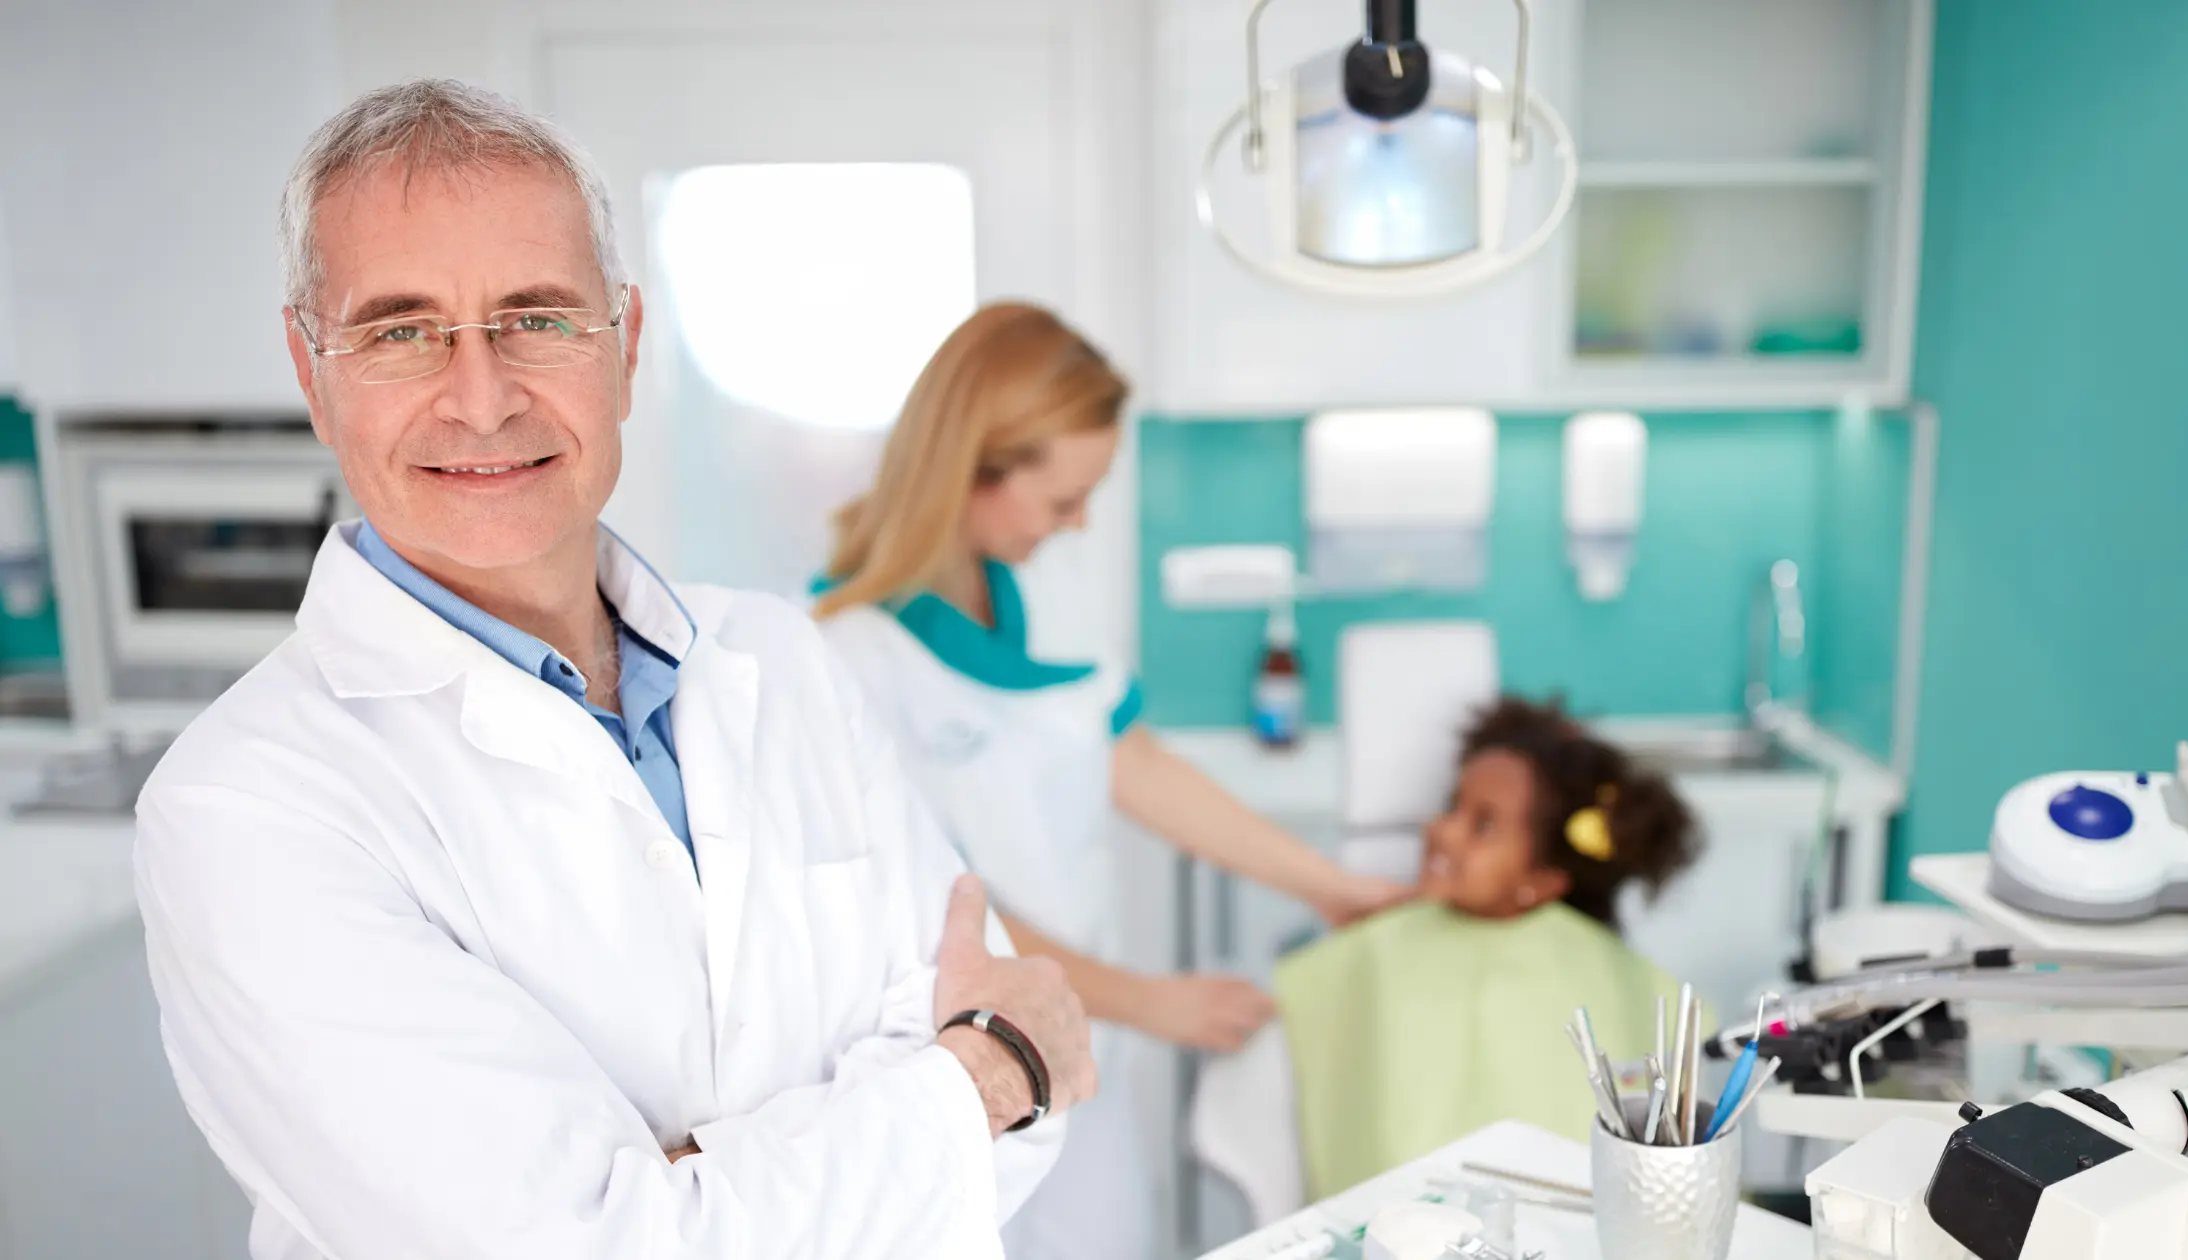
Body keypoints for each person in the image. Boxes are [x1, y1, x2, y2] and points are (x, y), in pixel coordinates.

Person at [133, 80, 1093, 1260]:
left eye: (536, 319)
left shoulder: (778, 662)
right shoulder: (246, 807)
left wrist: (689, 1182)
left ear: (626, 345)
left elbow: (1031, 1108)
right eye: (398, 331)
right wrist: (974, 1082)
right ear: (310, 370)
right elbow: (577, 1249)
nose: (480, 399)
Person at [811, 301, 1413, 1260]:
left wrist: (1329, 886)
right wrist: (1154, 1001)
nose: (1081, 520)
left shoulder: (1045, 595)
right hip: (961, 1072)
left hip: (1085, 1048)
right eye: (1061, 500)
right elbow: (946, 917)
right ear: (972, 469)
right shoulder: (848, 661)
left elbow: (1137, 765)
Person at [1273, 695, 1703, 1197]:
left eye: (1483, 825)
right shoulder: (1383, 942)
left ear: (1542, 879)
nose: (1441, 830)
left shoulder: (1597, 969)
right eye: (1450, 806)